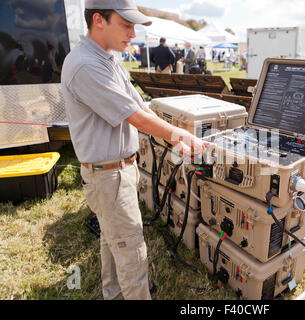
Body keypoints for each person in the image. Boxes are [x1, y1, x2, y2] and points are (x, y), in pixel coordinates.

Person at [61, 0, 210, 300]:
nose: (132, 33)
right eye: (126, 24)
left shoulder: (108, 58)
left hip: (116, 172)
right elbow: (134, 115)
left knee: (113, 242)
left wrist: (172, 136)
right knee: (132, 253)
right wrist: (177, 133)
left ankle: (113, 295)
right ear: (99, 20)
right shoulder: (86, 65)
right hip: (109, 177)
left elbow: (140, 105)